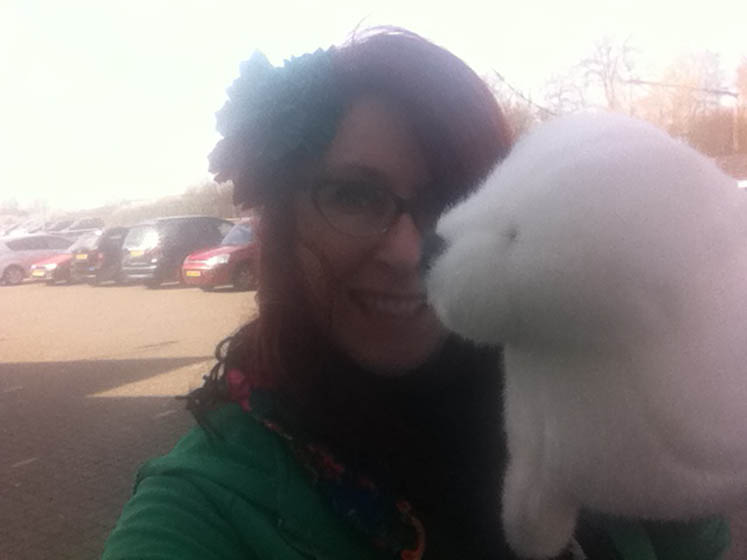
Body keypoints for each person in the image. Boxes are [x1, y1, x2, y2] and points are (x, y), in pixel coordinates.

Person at [102, 28, 730, 560]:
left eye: (455, 198)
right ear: (283, 221)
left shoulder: (583, 377)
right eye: (353, 195)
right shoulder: (208, 503)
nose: (408, 254)